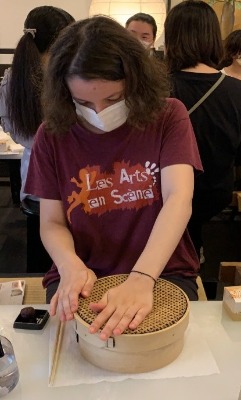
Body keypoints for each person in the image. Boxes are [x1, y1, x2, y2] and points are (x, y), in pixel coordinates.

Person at [25, 16, 202, 340]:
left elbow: (179, 199)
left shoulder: (168, 116)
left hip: (162, 270)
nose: (98, 111)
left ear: (136, 82)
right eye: (83, 102)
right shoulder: (52, 135)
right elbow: (51, 222)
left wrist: (141, 278)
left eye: (112, 100)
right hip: (81, 270)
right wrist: (69, 266)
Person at [164, 0, 241, 257]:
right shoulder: (236, 91)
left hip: (161, 199)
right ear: (213, 37)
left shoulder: (154, 90)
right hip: (215, 202)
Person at [0, 6, 75, 204]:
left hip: (36, 182)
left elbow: (15, 131)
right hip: (63, 179)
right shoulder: (65, 76)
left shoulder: (11, 78)